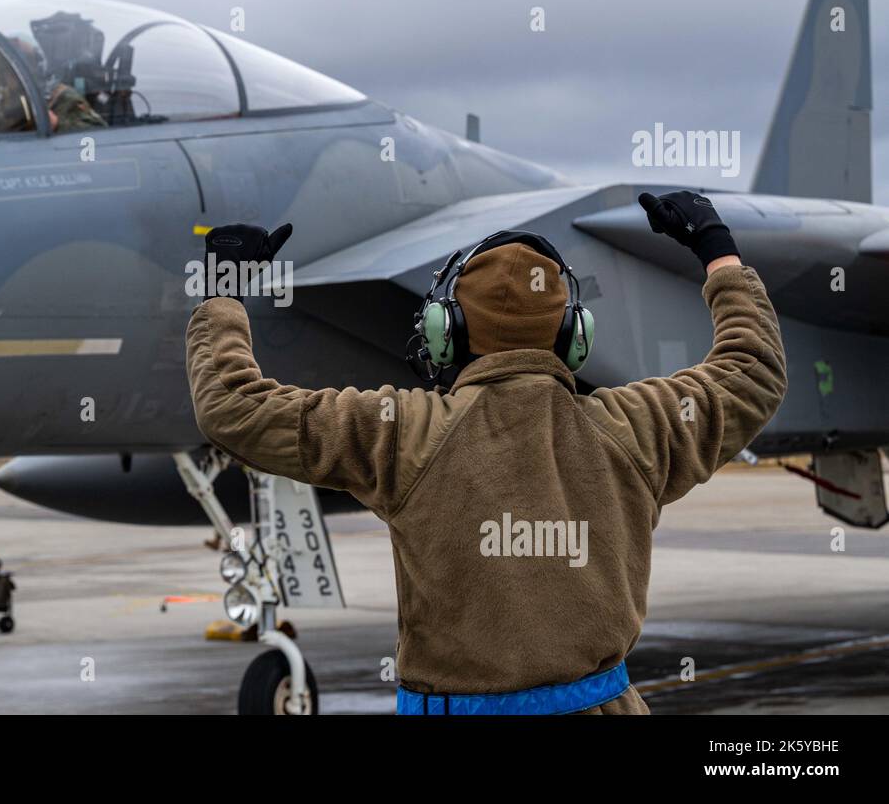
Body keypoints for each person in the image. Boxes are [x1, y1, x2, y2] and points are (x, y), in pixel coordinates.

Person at [184, 191, 787, 715]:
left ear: (445, 333)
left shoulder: (401, 435)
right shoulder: (635, 430)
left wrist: (223, 292)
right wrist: (717, 248)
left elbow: (232, 406)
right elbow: (753, 370)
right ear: (573, 336)